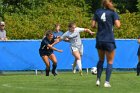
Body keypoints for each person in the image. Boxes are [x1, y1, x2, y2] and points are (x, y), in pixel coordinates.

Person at [91, 0, 121, 87]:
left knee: (101, 60)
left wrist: (100, 26)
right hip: (109, 39)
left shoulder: (97, 11)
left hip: (99, 39)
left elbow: (93, 25)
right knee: (110, 61)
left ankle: (98, 80)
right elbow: (118, 25)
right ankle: (106, 82)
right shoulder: (112, 12)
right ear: (110, 2)